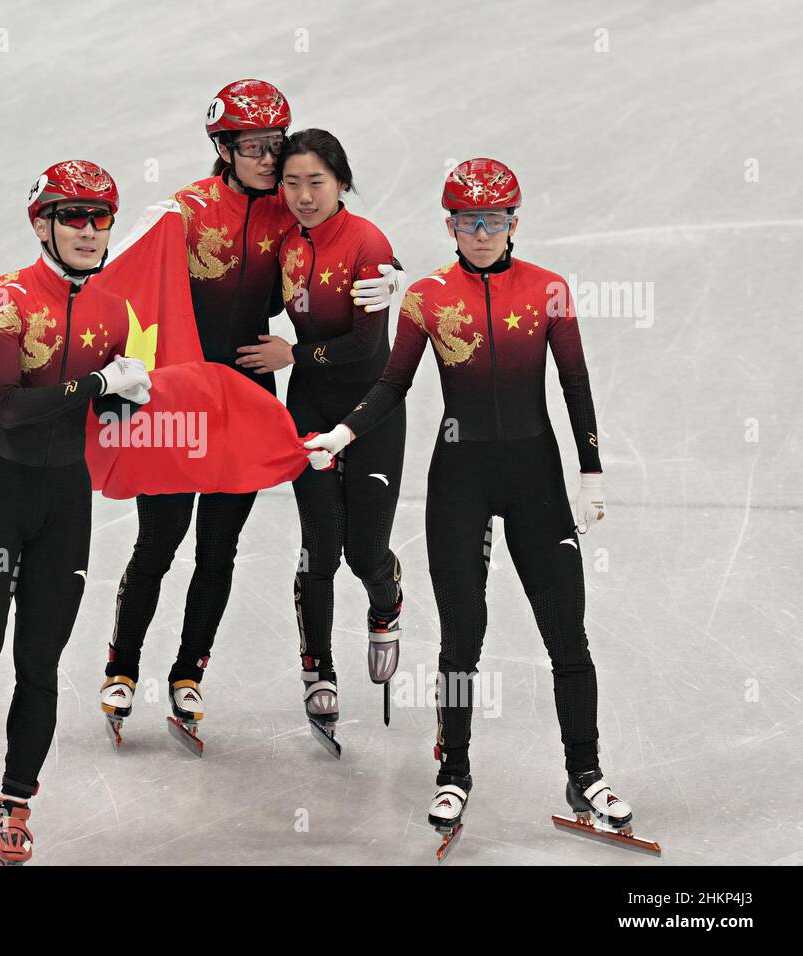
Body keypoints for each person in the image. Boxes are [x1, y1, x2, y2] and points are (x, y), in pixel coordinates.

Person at [303, 159, 634, 851]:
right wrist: (344, 431)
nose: (481, 233)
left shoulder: (547, 290)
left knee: (566, 635)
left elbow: (574, 381)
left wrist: (592, 470)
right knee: (462, 639)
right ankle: (453, 771)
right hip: (459, 480)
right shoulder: (426, 297)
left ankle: (586, 772)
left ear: (515, 222)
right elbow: (393, 383)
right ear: (448, 224)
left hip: (536, 479)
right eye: (467, 221)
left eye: (494, 220)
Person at [0, 161, 152, 866]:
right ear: (40, 223)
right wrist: (100, 381)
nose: (88, 231)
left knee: (39, 664)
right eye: (72, 217)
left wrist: (122, 400)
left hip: (62, 501)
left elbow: (93, 410)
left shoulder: (112, 311)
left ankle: (16, 803)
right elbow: (11, 410)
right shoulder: (5, 301)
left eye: (100, 217)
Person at [99, 79, 309, 753]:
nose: (269, 158)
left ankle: (189, 672)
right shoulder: (186, 211)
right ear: (223, 147)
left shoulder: (291, 213)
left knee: (220, 546)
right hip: (179, 398)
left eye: (277, 144)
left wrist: (297, 346)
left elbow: (332, 279)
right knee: (160, 538)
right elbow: (123, 281)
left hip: (247, 400)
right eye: (254, 146)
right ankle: (122, 665)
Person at [260, 129, 404, 756]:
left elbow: (370, 347)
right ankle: (317, 666)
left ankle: (386, 600)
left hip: (370, 409)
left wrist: (296, 353)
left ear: (342, 181)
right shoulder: (286, 241)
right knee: (319, 546)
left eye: (315, 182)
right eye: (291, 182)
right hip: (309, 407)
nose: (302, 196)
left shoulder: (368, 243)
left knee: (363, 552)